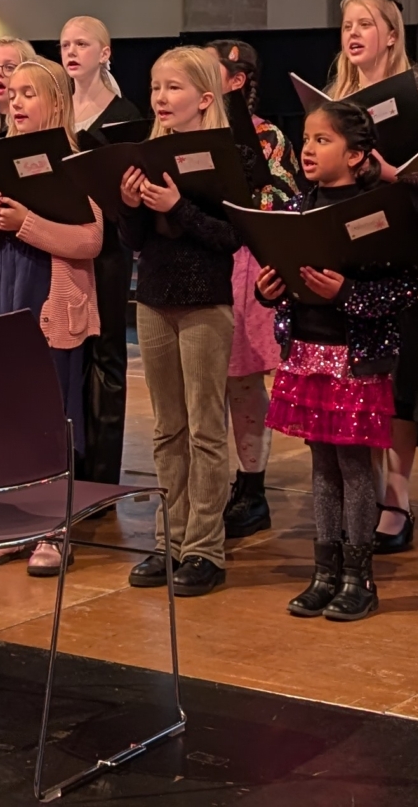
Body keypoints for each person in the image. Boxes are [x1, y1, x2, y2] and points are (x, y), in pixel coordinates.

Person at [256, 100, 418, 623]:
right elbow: (282, 278)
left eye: (322, 141)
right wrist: (268, 289)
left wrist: (349, 292)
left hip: (356, 356)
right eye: (306, 138)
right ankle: (323, 571)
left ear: (357, 156)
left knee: (353, 467)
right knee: (321, 465)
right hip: (306, 351)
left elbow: (407, 285)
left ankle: (358, 575)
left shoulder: (379, 211)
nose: (307, 149)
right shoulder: (295, 208)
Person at [0, 58, 105, 575]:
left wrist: (25, 222)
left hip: (51, 303)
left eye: (30, 93)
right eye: (14, 93)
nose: (17, 100)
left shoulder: (73, 162)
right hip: (6, 291)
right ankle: (13, 523)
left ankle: (52, 527)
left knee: (52, 416)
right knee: (8, 415)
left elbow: (90, 240)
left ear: (56, 103)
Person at [114, 46, 240, 597]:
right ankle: (170, 539)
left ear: (205, 99)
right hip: (154, 299)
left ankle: (205, 547)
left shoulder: (221, 153)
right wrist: (129, 207)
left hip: (205, 302)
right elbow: (135, 243)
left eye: (174, 88)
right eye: (157, 87)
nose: (162, 98)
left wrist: (176, 206)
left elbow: (231, 237)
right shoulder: (147, 151)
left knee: (206, 429)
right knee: (167, 429)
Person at [327, 0, 418, 554]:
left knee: (398, 380)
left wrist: (395, 173)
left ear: (391, 35)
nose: (353, 35)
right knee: (359, 374)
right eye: (347, 25)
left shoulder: (412, 92)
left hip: (403, 247)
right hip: (351, 248)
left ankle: (397, 499)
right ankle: (360, 493)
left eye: (365, 25)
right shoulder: (333, 97)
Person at [209, 37, 298, 542]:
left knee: (242, 383)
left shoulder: (266, 136)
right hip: (199, 258)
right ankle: (209, 484)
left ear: (238, 79)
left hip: (243, 262)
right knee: (203, 387)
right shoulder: (187, 130)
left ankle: (252, 487)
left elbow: (282, 197)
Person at [60, 14, 141, 486]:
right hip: (63, 244)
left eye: (83, 43)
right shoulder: (57, 110)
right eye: (66, 44)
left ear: (104, 53)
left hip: (108, 247)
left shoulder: (125, 116)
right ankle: (69, 459)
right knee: (70, 350)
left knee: (107, 351)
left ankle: (102, 473)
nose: (71, 52)